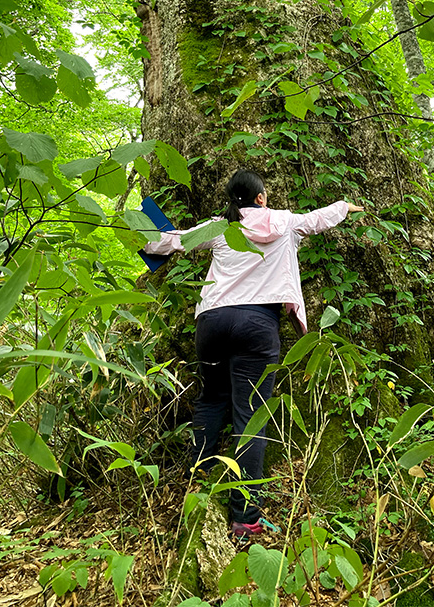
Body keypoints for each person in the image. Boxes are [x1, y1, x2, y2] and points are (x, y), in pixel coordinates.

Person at [143, 169, 363, 537]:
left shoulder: (220, 227)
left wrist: (141, 231)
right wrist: (345, 206)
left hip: (212, 323)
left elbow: (174, 241)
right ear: (261, 197)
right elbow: (319, 219)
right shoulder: (285, 222)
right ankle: (245, 518)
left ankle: (197, 483)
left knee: (211, 400)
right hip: (257, 324)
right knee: (250, 416)